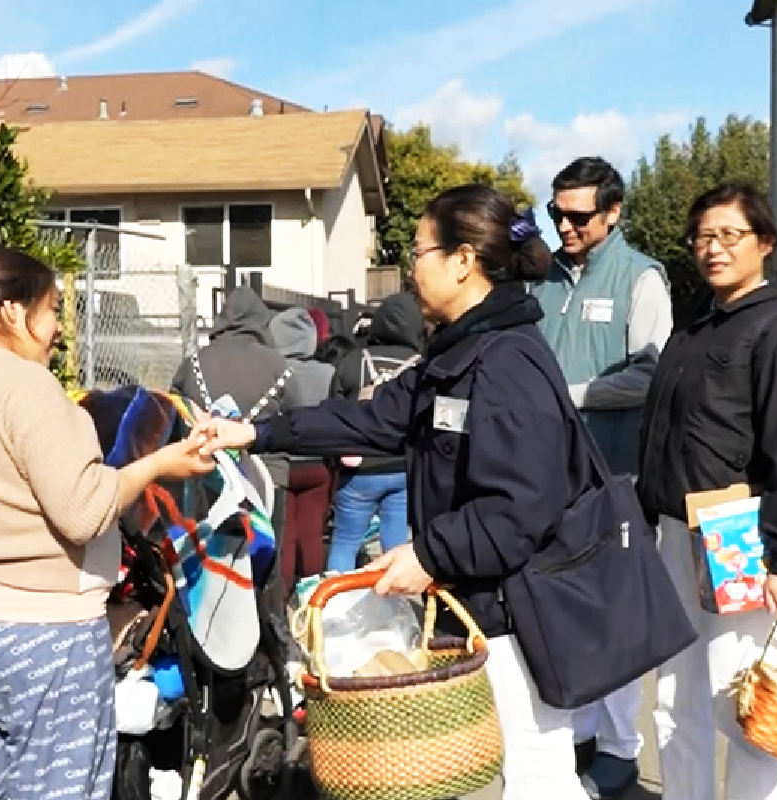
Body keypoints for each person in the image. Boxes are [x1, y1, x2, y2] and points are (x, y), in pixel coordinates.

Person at [198, 184, 600, 800]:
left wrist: (428, 555)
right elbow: (370, 419)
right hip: (484, 602)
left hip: (524, 615)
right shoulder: (461, 351)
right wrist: (253, 432)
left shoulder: (507, 362)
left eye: (418, 252)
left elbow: (522, 507)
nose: (409, 268)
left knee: (537, 777)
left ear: (462, 261)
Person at [0, 248, 214, 800]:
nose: (57, 331)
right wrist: (158, 465)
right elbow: (82, 511)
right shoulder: (29, 390)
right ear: (14, 313)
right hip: (40, 632)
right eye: (51, 311)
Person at [637, 183, 777, 800]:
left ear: (764, 243)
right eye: (702, 237)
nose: (712, 249)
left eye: (728, 236)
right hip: (673, 530)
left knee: (740, 702)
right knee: (671, 695)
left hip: (738, 537)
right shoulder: (695, 325)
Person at [529, 156, 672, 798]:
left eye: (578, 215)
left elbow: (651, 373)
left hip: (618, 475)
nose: (564, 224)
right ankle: (580, 729)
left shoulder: (640, 279)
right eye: (556, 212)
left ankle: (619, 744)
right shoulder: (546, 281)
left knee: (615, 613)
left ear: (613, 213)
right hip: (551, 475)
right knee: (564, 607)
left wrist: (572, 395)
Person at [172, 285, 293, 529]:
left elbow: (175, 408)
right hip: (267, 473)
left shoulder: (194, 362)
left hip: (207, 471)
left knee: (210, 556)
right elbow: (294, 417)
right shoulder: (279, 365)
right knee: (265, 555)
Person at [324, 291, 424, 573]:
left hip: (359, 468)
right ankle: (393, 609)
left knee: (345, 542)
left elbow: (333, 412)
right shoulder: (422, 364)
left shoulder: (353, 362)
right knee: (395, 548)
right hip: (402, 466)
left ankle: (336, 607)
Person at [269, 308, 336, 594]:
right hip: (317, 462)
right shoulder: (328, 373)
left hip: (281, 462)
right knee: (311, 533)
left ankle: (282, 600)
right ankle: (313, 596)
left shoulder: (272, 371)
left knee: (285, 535)